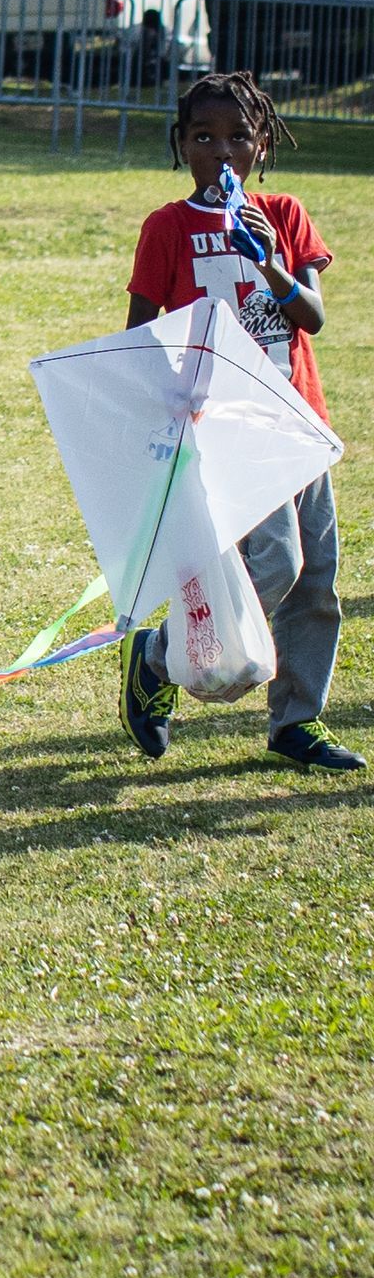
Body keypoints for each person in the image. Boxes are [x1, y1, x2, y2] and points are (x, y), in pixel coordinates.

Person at [117, 68, 363, 773]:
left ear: (262, 145)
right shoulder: (166, 228)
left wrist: (273, 262)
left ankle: (296, 721)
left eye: (238, 136)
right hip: (225, 429)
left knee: (317, 575)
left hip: (296, 419)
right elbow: (141, 334)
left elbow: (310, 316)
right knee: (276, 562)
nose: (221, 152)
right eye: (203, 137)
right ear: (180, 145)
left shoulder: (283, 213)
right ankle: (164, 656)